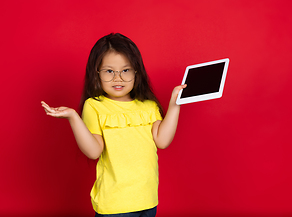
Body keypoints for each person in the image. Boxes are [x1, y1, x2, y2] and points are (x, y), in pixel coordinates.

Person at [41, 33, 186, 217]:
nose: (118, 78)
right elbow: (94, 151)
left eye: (125, 70)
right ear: (97, 73)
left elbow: (162, 141)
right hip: (114, 206)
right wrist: (73, 117)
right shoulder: (94, 106)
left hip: (148, 201)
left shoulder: (148, 106)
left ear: (136, 72)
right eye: (109, 71)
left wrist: (175, 104)